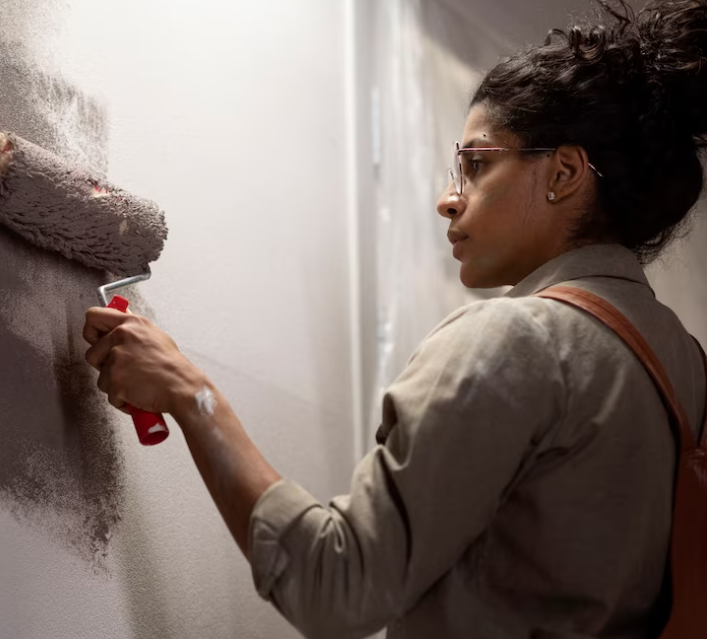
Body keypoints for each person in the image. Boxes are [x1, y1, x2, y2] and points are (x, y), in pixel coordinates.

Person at [82, 1, 707, 637]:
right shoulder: (687, 369)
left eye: (477, 164)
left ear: (565, 173)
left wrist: (191, 394)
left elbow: (338, 585)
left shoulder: (516, 341)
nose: (448, 197)